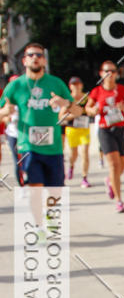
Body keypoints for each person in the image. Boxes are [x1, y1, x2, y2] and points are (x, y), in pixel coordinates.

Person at [0, 44, 82, 235]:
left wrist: (65, 103)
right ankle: (38, 227)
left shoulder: (55, 83)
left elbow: (78, 111)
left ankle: (51, 223)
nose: (35, 58)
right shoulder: (16, 85)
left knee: (55, 192)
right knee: (34, 189)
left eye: (39, 55)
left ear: (44, 60)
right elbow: (1, 111)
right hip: (28, 146)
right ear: (24, 60)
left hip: (53, 147)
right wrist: (6, 111)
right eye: (31, 55)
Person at [86, 59, 124, 213]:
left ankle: (110, 180)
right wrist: (95, 110)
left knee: (121, 166)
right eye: (107, 71)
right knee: (113, 165)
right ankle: (119, 201)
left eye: (112, 71)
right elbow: (88, 109)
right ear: (101, 74)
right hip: (105, 130)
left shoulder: (123, 90)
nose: (110, 74)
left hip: (122, 129)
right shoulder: (97, 92)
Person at [64, 76, 92, 188]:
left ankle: (84, 178)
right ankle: (71, 166)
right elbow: (61, 116)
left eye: (78, 84)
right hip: (72, 129)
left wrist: (89, 111)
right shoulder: (68, 99)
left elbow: (91, 109)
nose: (76, 86)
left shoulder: (86, 98)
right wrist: (73, 115)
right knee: (73, 154)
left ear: (81, 85)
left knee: (85, 153)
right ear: (70, 86)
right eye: (74, 84)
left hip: (84, 129)